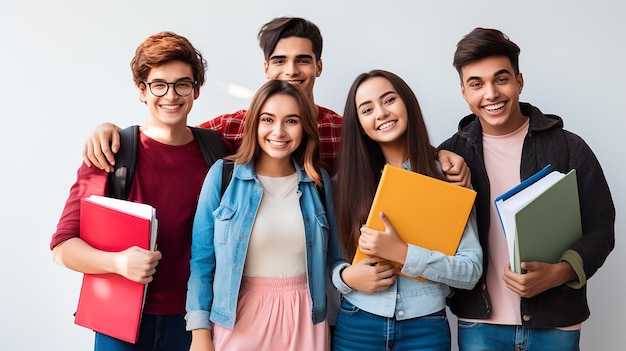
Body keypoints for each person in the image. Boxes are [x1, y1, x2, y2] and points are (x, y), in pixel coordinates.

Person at [80, 16, 470, 183]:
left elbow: (392, 145)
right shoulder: (231, 126)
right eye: (280, 61)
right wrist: (111, 128)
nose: (291, 71)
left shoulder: (340, 126)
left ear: (319, 66)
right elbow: (172, 132)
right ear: (266, 68)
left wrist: (439, 155)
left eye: (303, 60)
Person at [50, 32, 229, 350]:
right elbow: (63, 247)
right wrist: (117, 263)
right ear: (142, 90)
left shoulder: (218, 151)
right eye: (159, 84)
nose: (170, 95)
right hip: (120, 323)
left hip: (196, 324)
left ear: (196, 90)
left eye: (182, 84)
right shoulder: (111, 152)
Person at [439, 28, 615, 351]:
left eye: (501, 79)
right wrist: (433, 154)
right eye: (476, 84)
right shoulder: (451, 154)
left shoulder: (570, 149)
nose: (491, 93)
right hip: (480, 326)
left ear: (519, 81)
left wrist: (559, 273)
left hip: (556, 324)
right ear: (463, 92)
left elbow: (602, 229)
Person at [185, 79, 343, 351]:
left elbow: (336, 259)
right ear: (254, 124)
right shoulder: (223, 176)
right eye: (268, 119)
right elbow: (201, 262)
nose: (279, 132)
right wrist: (199, 333)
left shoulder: (319, 183)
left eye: (291, 121)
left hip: (305, 319)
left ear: (304, 127)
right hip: (237, 316)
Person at [330, 69, 483, 351]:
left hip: (426, 328)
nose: (381, 113)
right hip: (357, 325)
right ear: (359, 123)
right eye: (367, 109)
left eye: (389, 100)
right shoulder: (342, 185)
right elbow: (329, 261)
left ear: (407, 104)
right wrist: (345, 277)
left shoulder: (448, 176)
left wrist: (403, 254)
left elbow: (470, 271)